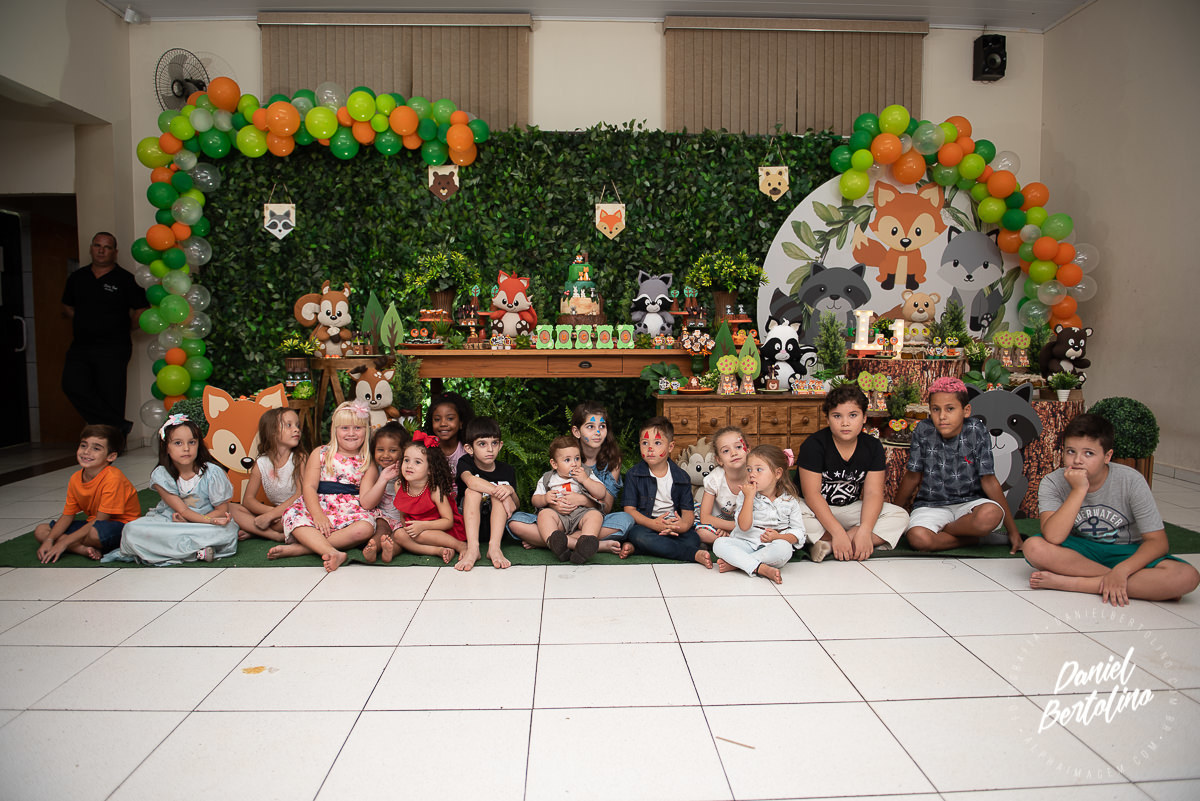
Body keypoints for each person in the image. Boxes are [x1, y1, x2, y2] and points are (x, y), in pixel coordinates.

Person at [1025, 413, 1200, 605]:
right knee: (1034, 547)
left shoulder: (1131, 480)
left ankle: (1074, 583)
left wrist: (1122, 570)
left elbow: (1158, 542)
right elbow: (1053, 537)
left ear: (1107, 456)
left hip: (1128, 551)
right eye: (1070, 451)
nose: (1077, 460)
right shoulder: (1053, 481)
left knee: (1187, 576)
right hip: (1083, 552)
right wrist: (1079, 490)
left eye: (1088, 453)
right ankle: (1141, 586)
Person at [894, 377, 1019, 553]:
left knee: (990, 514)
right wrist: (895, 516)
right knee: (918, 538)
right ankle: (974, 539)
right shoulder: (923, 430)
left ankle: (948, 531)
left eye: (950, 409)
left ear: (966, 410)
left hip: (970, 506)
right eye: (935, 409)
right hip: (931, 506)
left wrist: (1013, 532)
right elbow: (913, 476)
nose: (942, 416)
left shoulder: (976, 429)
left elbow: (989, 480)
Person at [103, 414, 238, 565]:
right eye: (178, 443)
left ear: (199, 445)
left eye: (192, 442)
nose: (186, 448)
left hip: (205, 522)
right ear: (166, 447)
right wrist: (188, 521)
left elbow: (221, 509)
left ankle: (178, 550)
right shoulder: (161, 474)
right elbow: (183, 511)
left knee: (226, 530)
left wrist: (208, 520)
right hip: (171, 521)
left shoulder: (213, 472)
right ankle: (195, 551)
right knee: (131, 529)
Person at [797, 385, 910, 561]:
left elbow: (873, 493)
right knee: (792, 510)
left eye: (853, 415)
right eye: (837, 416)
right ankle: (841, 540)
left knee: (899, 515)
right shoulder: (813, 445)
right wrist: (837, 531)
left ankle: (830, 545)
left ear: (864, 417)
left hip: (850, 509)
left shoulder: (873, 446)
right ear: (827, 419)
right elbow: (812, 495)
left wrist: (865, 530)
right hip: (816, 511)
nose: (845, 423)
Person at [272, 401, 377, 571]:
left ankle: (303, 548)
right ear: (334, 430)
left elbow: (366, 501)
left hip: (350, 509)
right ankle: (332, 551)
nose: (351, 433)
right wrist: (318, 515)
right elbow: (309, 487)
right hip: (318, 505)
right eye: (344, 428)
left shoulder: (367, 462)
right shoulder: (321, 453)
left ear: (367, 430)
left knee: (364, 529)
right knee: (294, 516)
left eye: (358, 428)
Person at [60, 232, 147, 435]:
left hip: (114, 346)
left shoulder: (125, 279)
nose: (101, 250)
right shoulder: (78, 277)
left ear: (115, 253)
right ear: (91, 248)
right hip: (81, 345)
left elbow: (141, 310)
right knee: (72, 384)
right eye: (97, 245)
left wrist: (123, 326)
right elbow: (67, 307)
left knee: (112, 393)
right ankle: (117, 425)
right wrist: (87, 322)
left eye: (106, 247)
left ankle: (113, 440)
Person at [34, 424, 140, 562]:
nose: (87, 452)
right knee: (41, 530)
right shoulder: (75, 478)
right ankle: (80, 548)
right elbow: (67, 515)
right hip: (91, 525)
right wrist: (49, 540)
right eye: (84, 445)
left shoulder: (113, 478)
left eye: (96, 448)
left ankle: (69, 543)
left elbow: (101, 520)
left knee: (94, 534)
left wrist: (62, 542)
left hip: (121, 527)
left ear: (111, 456)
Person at [619, 416, 713, 568]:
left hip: (672, 525)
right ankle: (691, 554)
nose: (650, 448)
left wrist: (680, 526)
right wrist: (654, 524)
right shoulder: (633, 474)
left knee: (693, 539)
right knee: (638, 536)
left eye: (657, 443)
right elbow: (629, 510)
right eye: (645, 443)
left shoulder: (681, 477)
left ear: (670, 447)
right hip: (647, 525)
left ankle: (640, 549)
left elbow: (688, 513)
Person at [714, 444, 807, 584]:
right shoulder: (744, 495)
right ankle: (759, 568)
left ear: (777, 473)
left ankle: (738, 563)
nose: (752, 474)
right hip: (745, 543)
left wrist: (779, 536)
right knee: (719, 544)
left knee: (785, 549)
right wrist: (749, 498)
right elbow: (743, 526)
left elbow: (799, 533)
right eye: (749, 469)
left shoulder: (789, 501)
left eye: (759, 469)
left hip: (771, 547)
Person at [231, 407, 307, 542]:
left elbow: (301, 495)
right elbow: (248, 500)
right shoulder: (261, 462)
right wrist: (270, 513)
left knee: (296, 518)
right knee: (231, 507)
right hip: (276, 514)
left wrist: (271, 516)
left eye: (297, 425)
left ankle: (256, 531)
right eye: (289, 425)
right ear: (272, 432)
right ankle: (274, 535)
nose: (296, 429)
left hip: (297, 510)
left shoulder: (299, 458)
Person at [391, 431, 467, 563]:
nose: (409, 465)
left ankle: (460, 545)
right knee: (399, 535)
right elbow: (404, 516)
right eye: (406, 460)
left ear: (430, 469)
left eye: (417, 462)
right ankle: (438, 551)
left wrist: (422, 526)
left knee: (421, 534)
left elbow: (448, 521)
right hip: (416, 530)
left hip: (442, 530)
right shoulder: (400, 485)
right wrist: (411, 529)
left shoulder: (435, 490)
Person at [454, 416, 517, 571]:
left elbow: (516, 504)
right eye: (482, 444)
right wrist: (501, 492)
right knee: (473, 492)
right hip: (468, 525)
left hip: (495, 527)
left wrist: (510, 491)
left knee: (501, 494)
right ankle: (473, 549)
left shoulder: (507, 470)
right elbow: (471, 482)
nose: (490, 449)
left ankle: (494, 548)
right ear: (469, 449)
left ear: (500, 445)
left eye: (494, 443)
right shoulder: (465, 463)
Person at [532, 435, 606, 564]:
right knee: (544, 514)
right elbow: (535, 500)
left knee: (595, 515)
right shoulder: (548, 478)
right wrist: (544, 498)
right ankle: (555, 543)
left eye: (577, 458)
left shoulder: (585, 473)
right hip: (559, 517)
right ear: (554, 464)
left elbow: (601, 493)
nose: (574, 463)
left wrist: (585, 480)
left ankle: (585, 544)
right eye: (567, 460)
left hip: (581, 514)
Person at [359, 422, 410, 564]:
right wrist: (383, 478)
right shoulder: (376, 470)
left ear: (403, 451)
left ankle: (390, 551)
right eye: (380, 450)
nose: (386, 455)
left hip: (405, 519)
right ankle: (373, 547)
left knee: (400, 538)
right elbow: (367, 503)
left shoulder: (408, 470)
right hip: (384, 516)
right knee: (381, 529)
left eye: (393, 450)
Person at [696, 426, 750, 543]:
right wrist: (733, 527)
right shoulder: (715, 479)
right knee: (703, 533)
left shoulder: (755, 477)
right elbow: (705, 517)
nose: (734, 453)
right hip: (718, 522)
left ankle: (732, 540)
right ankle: (734, 540)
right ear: (719, 460)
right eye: (726, 451)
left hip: (748, 525)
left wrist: (742, 527)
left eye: (739, 447)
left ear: (748, 451)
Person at [424, 391, 474, 476]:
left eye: (450, 418)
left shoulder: (468, 450)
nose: (443, 423)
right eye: (437, 419)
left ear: (461, 423)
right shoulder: (426, 449)